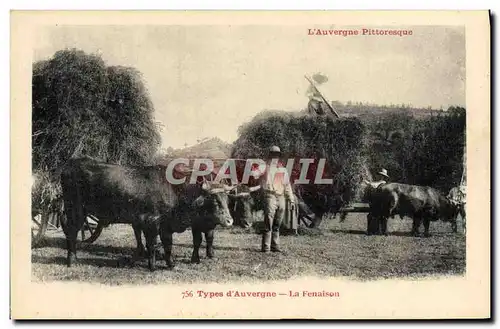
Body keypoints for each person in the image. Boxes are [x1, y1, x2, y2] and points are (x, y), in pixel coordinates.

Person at [258, 146, 295, 252]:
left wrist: (291, 199)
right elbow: (255, 173)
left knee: (277, 223)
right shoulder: (265, 167)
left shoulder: (283, 169)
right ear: (270, 156)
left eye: (277, 155)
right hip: (270, 196)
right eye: (273, 155)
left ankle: (275, 246)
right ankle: (266, 247)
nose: (275, 157)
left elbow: (287, 186)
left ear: (279, 156)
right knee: (268, 222)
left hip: (281, 197)